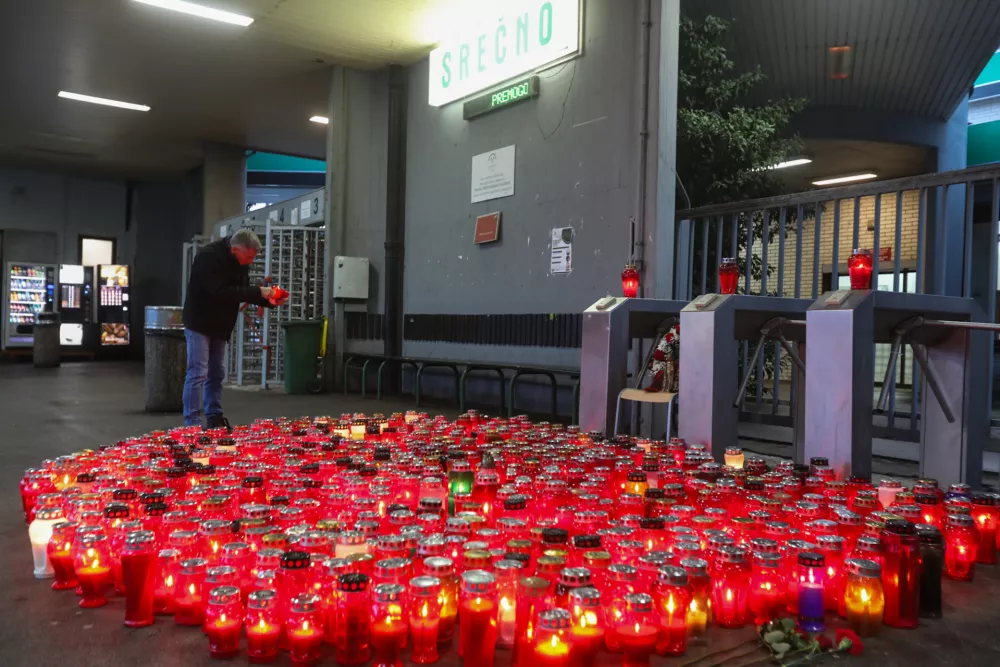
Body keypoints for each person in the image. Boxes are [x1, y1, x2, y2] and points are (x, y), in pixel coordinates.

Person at [181, 229, 286, 429]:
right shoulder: (208, 257)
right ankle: (192, 423)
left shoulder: (240, 262)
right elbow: (220, 292)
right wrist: (260, 292)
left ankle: (214, 416)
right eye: (249, 256)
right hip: (199, 323)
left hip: (220, 326)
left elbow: (242, 292)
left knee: (216, 373)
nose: (251, 261)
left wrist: (269, 300)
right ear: (235, 249)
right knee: (198, 372)